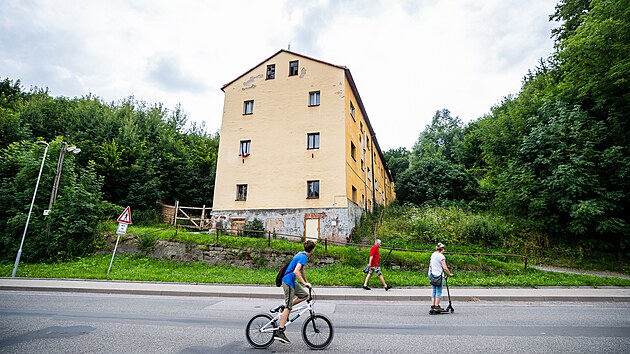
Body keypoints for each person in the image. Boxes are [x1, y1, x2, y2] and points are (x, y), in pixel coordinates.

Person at [273, 240, 316, 344]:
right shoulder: (303, 257)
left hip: (291, 280)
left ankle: (284, 308)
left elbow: (301, 270)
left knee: (304, 295)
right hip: (288, 281)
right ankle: (280, 330)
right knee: (289, 307)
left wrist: (306, 282)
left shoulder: (301, 254)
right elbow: (296, 271)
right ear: (313, 249)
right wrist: (305, 284)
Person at [428, 242, 453, 310]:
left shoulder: (433, 254)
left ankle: (433, 305)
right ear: (442, 249)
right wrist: (449, 274)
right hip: (439, 275)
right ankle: (437, 306)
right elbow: (445, 268)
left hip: (432, 274)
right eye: (444, 249)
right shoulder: (441, 256)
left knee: (434, 290)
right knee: (439, 291)